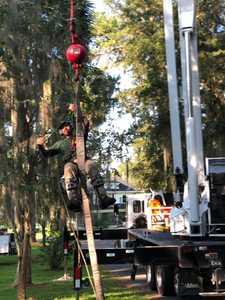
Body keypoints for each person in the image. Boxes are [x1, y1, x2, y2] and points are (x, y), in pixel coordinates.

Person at [37, 104, 115, 212]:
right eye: (63, 127)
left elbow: (85, 123)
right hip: (71, 163)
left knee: (91, 166)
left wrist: (76, 111)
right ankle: (74, 201)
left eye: (67, 126)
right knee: (68, 170)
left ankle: (103, 198)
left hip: (84, 160)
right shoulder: (59, 144)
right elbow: (46, 154)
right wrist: (40, 146)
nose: (65, 128)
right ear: (60, 132)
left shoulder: (79, 135)